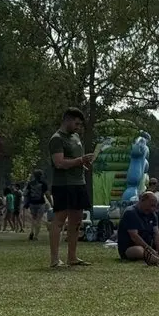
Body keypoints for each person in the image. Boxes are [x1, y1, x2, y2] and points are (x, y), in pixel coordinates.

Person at [48, 107, 96, 268]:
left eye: (80, 125)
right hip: (63, 184)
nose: (78, 127)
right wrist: (80, 160)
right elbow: (59, 163)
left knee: (76, 221)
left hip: (78, 183)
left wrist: (84, 163)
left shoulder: (75, 137)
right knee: (59, 220)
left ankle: (72, 257)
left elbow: (76, 159)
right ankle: (55, 259)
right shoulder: (57, 139)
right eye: (76, 123)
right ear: (67, 120)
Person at [117, 192, 159, 261]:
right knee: (139, 250)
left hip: (150, 245)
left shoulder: (152, 214)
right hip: (132, 247)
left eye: (155, 206)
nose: (153, 209)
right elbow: (134, 237)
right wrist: (150, 250)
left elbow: (156, 233)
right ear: (142, 200)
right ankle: (158, 259)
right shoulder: (130, 213)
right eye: (151, 205)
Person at [25, 169, 50, 241]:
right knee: (39, 219)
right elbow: (47, 194)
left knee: (33, 218)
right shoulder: (43, 183)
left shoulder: (30, 183)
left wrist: (26, 203)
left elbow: (26, 193)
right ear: (41, 175)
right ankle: (36, 236)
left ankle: (31, 231)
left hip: (32, 203)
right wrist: (51, 203)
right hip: (41, 202)